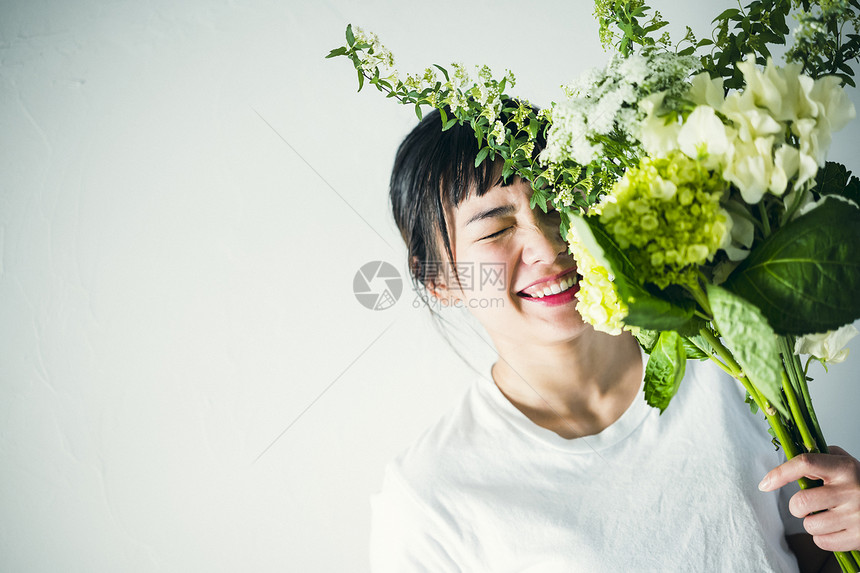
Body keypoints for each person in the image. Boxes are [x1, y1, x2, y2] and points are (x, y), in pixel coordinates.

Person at [371, 106, 860, 572]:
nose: (548, 245)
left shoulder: (726, 356)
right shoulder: (428, 494)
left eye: (553, 203)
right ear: (438, 279)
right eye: (497, 229)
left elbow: (814, 559)